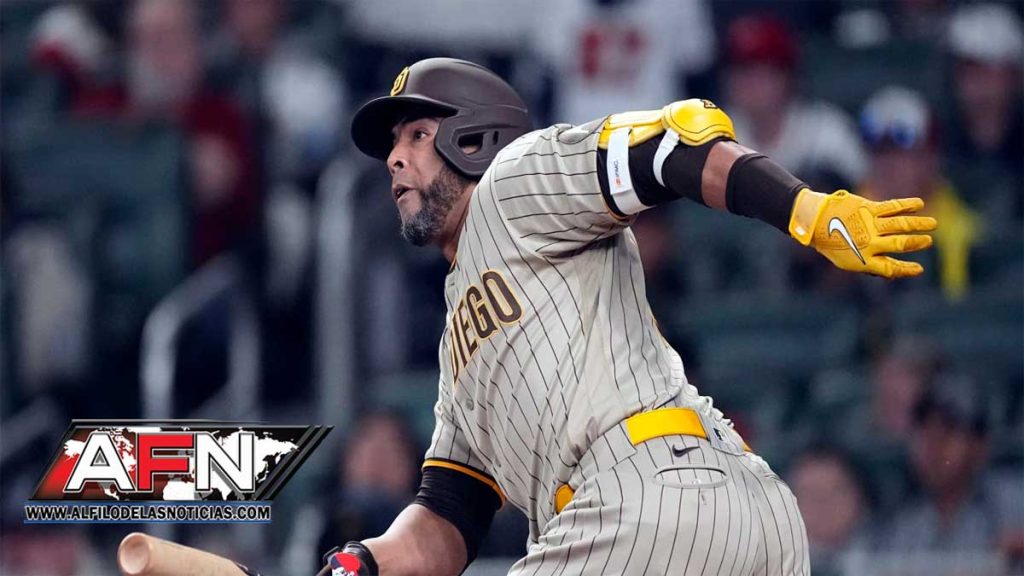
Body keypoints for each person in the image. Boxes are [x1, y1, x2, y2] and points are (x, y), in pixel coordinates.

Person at [321, 57, 936, 575]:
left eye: (416, 135)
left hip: (641, 499)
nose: (394, 158)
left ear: (474, 137)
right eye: (392, 145)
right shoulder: (459, 341)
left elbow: (674, 145)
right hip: (741, 511)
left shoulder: (512, 179)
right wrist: (361, 563)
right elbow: (449, 515)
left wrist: (802, 208)